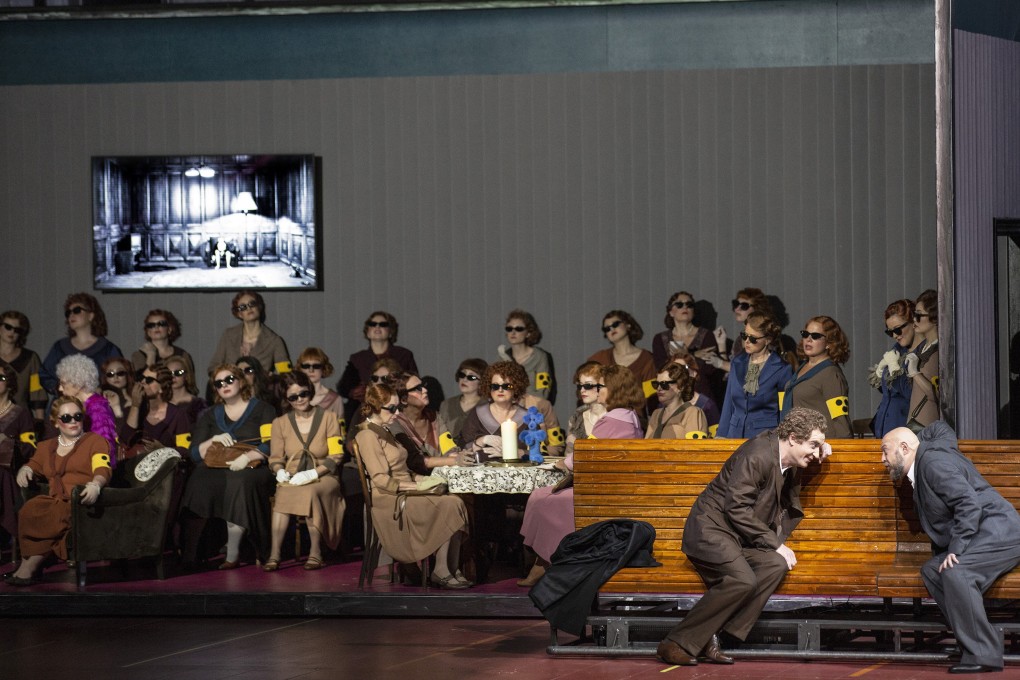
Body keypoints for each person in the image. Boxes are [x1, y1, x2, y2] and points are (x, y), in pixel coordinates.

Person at [656, 407, 831, 667]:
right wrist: (775, 543)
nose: (816, 452)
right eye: (813, 445)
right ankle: (676, 642)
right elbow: (736, 507)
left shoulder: (784, 455)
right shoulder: (758, 455)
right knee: (743, 580)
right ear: (793, 438)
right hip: (710, 532)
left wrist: (820, 447)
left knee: (775, 564)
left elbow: (789, 477)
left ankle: (714, 633)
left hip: (737, 537)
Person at [881, 424, 1020, 673]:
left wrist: (956, 549)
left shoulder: (932, 463)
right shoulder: (931, 453)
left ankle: (984, 654)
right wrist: (914, 440)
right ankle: (970, 642)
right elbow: (939, 427)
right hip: (983, 532)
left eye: (885, 451)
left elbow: (968, 503)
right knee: (933, 570)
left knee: (957, 571)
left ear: (904, 448)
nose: (883, 460)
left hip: (1000, 531)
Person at [518, 364, 645, 586]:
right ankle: (543, 561)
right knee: (542, 495)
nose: (597, 390)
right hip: (610, 485)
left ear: (614, 388)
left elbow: (586, 456)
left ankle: (546, 563)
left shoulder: (614, 419)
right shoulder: (627, 415)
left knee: (545, 499)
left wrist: (562, 463)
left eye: (601, 386)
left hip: (607, 493)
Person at [354, 383, 470, 589]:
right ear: (374, 407)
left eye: (398, 407)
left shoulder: (386, 430)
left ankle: (449, 566)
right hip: (388, 499)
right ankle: (442, 570)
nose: (397, 412)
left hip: (405, 488)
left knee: (456, 501)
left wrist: (428, 482)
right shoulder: (367, 435)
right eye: (391, 408)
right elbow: (381, 480)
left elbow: (403, 470)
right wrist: (419, 487)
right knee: (449, 505)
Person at [4, 396, 111, 586]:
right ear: (56, 422)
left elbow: (102, 468)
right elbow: (34, 463)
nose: (73, 421)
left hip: (78, 502)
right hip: (54, 499)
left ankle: (28, 568)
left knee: (55, 515)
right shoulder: (46, 446)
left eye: (77, 416)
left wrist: (96, 484)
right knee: (30, 509)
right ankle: (26, 566)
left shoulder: (95, 441)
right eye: (67, 418)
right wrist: (26, 469)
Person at [179, 364, 276, 568]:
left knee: (240, 482)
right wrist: (212, 440)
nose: (225, 385)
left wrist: (248, 456)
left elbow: (270, 442)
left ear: (241, 381)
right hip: (218, 464)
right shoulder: (210, 415)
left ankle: (233, 554)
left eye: (230, 380)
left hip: (253, 466)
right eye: (219, 383)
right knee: (198, 480)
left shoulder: (263, 409)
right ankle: (192, 552)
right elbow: (195, 453)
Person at [265, 372, 344, 572]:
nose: (300, 400)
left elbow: (336, 455)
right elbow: (275, 457)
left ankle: (316, 551)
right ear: (286, 399)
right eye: (293, 397)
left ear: (310, 392)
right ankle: (275, 553)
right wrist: (279, 470)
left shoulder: (329, 418)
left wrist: (313, 473)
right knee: (283, 493)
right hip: (292, 477)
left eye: (304, 394)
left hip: (324, 476)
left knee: (309, 493)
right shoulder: (280, 423)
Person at [716, 312, 794, 439]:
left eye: (753, 339)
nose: (747, 341)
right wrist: (721, 434)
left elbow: (784, 409)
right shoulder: (737, 363)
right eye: (744, 336)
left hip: (764, 437)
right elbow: (728, 402)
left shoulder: (782, 369)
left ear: (767, 340)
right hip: (734, 435)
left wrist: (783, 439)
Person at [336, 311, 418, 423]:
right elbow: (344, 388)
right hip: (366, 411)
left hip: (397, 410)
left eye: (383, 324)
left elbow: (414, 384)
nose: (377, 327)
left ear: (391, 331)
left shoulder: (403, 355)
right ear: (367, 332)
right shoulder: (357, 358)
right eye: (373, 324)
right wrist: (360, 392)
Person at [779, 316, 852, 438]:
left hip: (819, 446)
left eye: (815, 336)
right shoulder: (802, 368)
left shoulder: (830, 374)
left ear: (829, 342)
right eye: (805, 334)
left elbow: (840, 419)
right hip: (798, 443)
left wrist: (844, 451)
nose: (808, 339)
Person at [39, 293, 123, 398]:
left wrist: (103, 391)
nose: (71, 315)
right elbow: (44, 374)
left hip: (97, 407)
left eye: (77, 310)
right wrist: (59, 388)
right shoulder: (59, 347)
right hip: (65, 406)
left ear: (91, 316)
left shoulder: (108, 349)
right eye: (68, 313)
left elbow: (120, 377)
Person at [457, 361, 536, 457]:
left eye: (507, 386)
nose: (500, 390)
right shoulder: (478, 413)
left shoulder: (528, 418)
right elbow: (462, 448)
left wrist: (517, 453)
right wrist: (481, 441)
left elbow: (540, 453)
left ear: (516, 388)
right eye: (495, 386)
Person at [207, 290, 291, 376]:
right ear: (239, 314)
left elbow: (285, 374)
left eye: (252, 304)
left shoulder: (274, 341)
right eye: (243, 307)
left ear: (259, 306)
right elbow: (213, 368)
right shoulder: (228, 335)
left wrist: (267, 376)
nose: (249, 308)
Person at [53, 354, 118, 466]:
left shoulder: (97, 409)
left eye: (63, 384)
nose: (60, 388)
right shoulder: (86, 406)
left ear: (78, 383)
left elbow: (103, 447)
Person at [869, 299, 921, 437]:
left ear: (914, 323)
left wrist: (895, 371)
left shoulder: (921, 354)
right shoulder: (898, 350)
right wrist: (880, 376)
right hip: (886, 429)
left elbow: (911, 393)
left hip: (905, 433)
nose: (895, 336)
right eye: (890, 332)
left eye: (898, 329)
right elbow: (890, 391)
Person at [652, 292, 718, 399]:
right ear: (670, 311)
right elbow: (662, 369)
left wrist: (684, 355)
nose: (685, 307)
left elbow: (709, 369)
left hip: (700, 393)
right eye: (679, 305)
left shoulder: (707, 335)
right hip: (671, 396)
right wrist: (694, 355)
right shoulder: (660, 339)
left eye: (689, 304)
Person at [587, 310, 656, 411]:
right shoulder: (599, 358)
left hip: (636, 419)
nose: (611, 329)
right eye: (607, 328)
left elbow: (652, 397)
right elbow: (587, 390)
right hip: (605, 417)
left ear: (628, 325)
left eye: (615, 324)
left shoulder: (647, 359)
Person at [0, 361, 35, 549]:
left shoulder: (20, 413)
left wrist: (6, 441)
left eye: (1, 378)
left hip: (11, 470)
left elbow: (30, 447)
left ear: (10, 383)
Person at [710, 287, 773, 374]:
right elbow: (732, 371)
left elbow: (755, 370)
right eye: (736, 304)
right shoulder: (740, 339)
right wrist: (721, 344)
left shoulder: (761, 336)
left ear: (757, 309)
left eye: (744, 306)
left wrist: (719, 363)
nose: (737, 309)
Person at [497, 309, 554, 402]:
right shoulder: (502, 358)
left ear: (528, 333)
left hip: (532, 411)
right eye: (509, 329)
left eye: (519, 329)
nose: (513, 332)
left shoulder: (540, 357)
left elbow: (544, 392)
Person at [0, 310, 46, 418]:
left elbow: (37, 392)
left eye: (17, 330)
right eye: (8, 327)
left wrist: (40, 423)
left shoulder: (30, 358)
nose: (12, 332)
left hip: (21, 419)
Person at [646, 362, 709, 439]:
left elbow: (694, 448)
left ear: (680, 386)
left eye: (664, 384)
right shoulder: (656, 414)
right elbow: (645, 445)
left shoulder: (692, 413)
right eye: (656, 384)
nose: (659, 388)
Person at [906, 289, 940, 431]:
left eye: (919, 315)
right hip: (914, 424)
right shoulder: (922, 347)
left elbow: (938, 395)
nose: (914, 320)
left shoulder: (939, 352)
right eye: (914, 315)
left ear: (934, 318)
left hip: (928, 427)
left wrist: (915, 372)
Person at [436, 358, 487, 447]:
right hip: (448, 455)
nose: (464, 379)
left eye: (471, 377)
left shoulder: (487, 406)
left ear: (482, 382)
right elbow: (440, 435)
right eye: (462, 374)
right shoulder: (447, 404)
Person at [130, 309, 194, 375]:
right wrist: (151, 356)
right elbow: (142, 381)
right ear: (147, 331)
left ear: (169, 329)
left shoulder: (182, 355)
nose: (156, 327)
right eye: (151, 325)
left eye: (161, 324)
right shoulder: (139, 356)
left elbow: (189, 380)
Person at [296, 347, 345, 432]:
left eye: (316, 366)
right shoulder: (292, 397)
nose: (311, 370)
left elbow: (340, 433)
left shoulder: (335, 399)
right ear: (300, 368)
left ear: (324, 368)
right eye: (306, 366)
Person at [669, 351, 721, 428]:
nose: (678, 373)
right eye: (674, 369)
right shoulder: (665, 404)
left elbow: (716, 437)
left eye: (683, 368)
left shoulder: (707, 406)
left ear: (694, 373)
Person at [100, 356, 136, 443]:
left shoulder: (138, 396)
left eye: (120, 373)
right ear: (106, 378)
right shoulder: (102, 399)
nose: (115, 377)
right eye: (110, 374)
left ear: (128, 374)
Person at [166, 355, 207, 427]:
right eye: (168, 374)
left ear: (186, 376)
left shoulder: (199, 404)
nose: (173, 377)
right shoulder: (161, 404)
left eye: (178, 372)